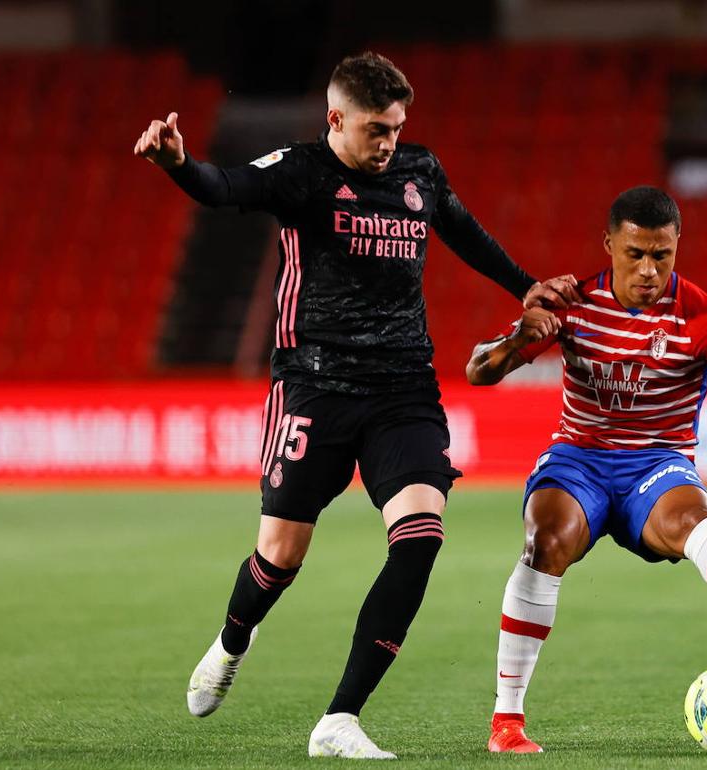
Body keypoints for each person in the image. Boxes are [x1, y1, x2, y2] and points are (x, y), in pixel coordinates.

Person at [134, 51, 578, 759]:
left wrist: (524, 286)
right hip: (314, 385)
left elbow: (462, 232)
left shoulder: (418, 172)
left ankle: (339, 719)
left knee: (421, 535)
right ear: (336, 118)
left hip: (403, 387)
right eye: (376, 129)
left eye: (398, 128)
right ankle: (232, 640)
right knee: (279, 556)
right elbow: (223, 188)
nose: (389, 143)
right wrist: (179, 164)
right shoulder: (301, 171)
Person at [465, 186, 707, 754]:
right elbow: (479, 370)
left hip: (657, 463)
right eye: (635, 255)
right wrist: (520, 339)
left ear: (677, 248)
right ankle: (508, 722)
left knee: (688, 520)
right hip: (579, 459)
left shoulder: (703, 315)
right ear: (609, 245)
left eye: (662, 255)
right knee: (546, 541)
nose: (649, 270)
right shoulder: (570, 302)